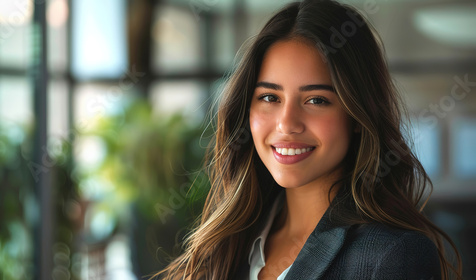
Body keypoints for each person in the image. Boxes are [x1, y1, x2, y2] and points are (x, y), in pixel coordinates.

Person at [152, 0, 462, 279]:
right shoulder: (230, 240)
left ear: (357, 115)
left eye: (316, 100)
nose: (286, 124)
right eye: (270, 97)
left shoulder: (392, 257)